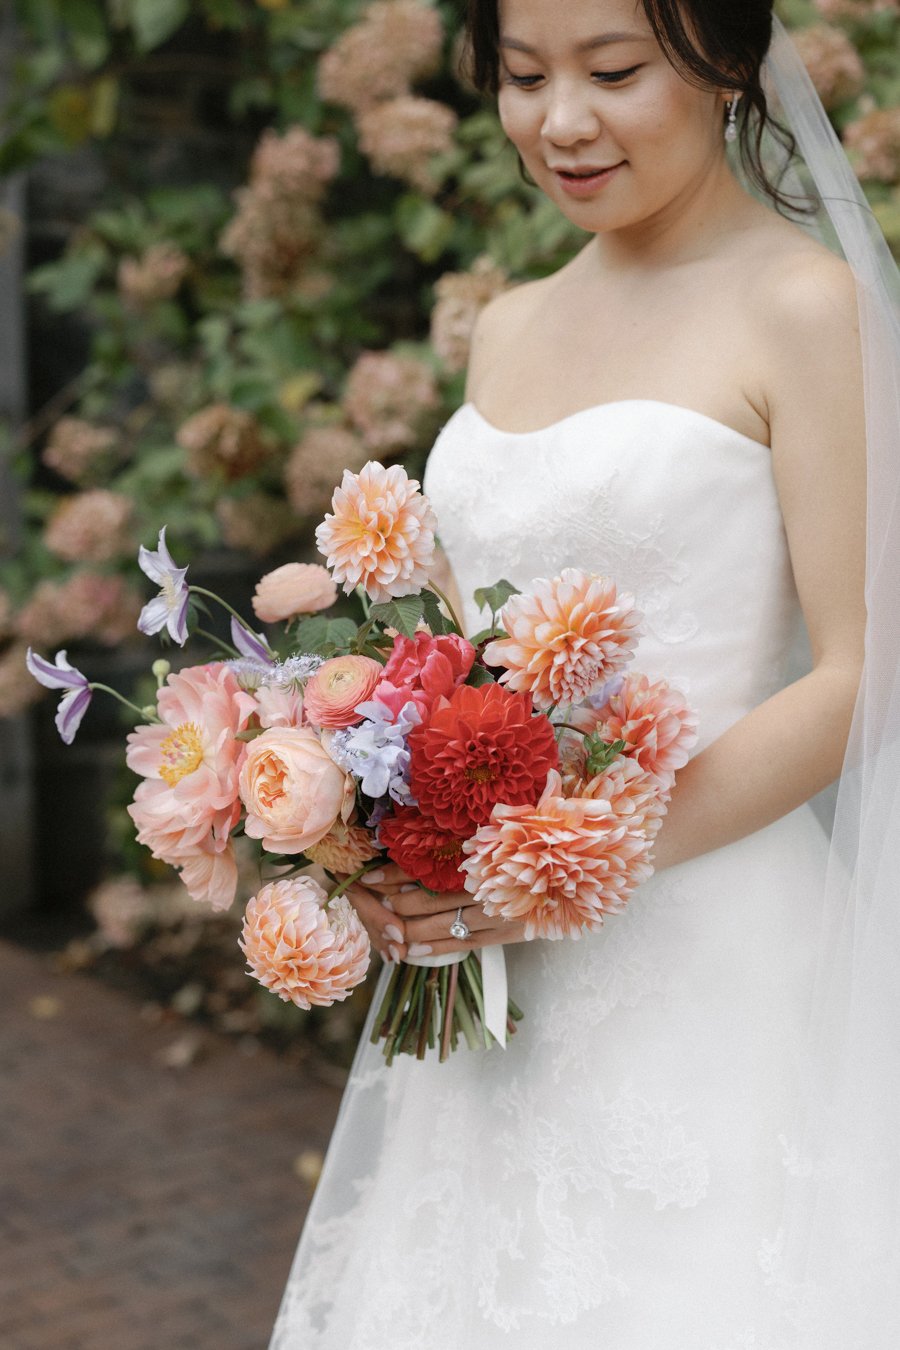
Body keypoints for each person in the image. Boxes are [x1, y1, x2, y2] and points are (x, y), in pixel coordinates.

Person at [270, 2, 898, 1346]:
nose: (561, 121)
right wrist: (375, 816)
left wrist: (564, 860)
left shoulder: (804, 306)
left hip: (710, 953)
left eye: (613, 72)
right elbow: (455, 651)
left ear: (728, 61)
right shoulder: (506, 321)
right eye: (524, 75)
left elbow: (863, 673)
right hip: (500, 987)